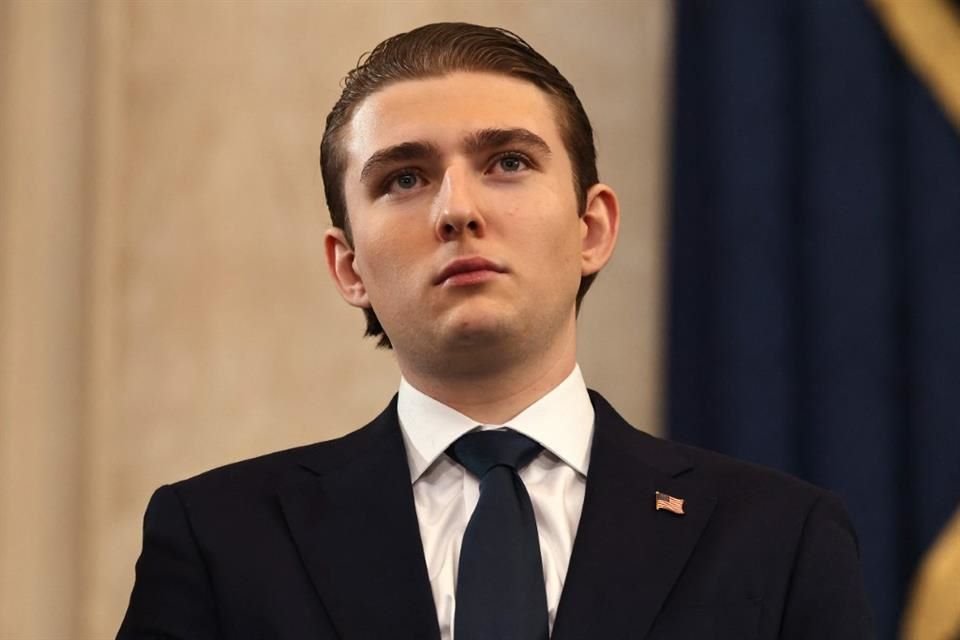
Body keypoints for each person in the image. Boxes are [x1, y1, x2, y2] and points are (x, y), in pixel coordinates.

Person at [118, 22, 873, 639]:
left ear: (593, 228)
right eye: (404, 178)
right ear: (348, 266)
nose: (456, 209)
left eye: (507, 162)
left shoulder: (779, 537)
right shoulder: (220, 539)